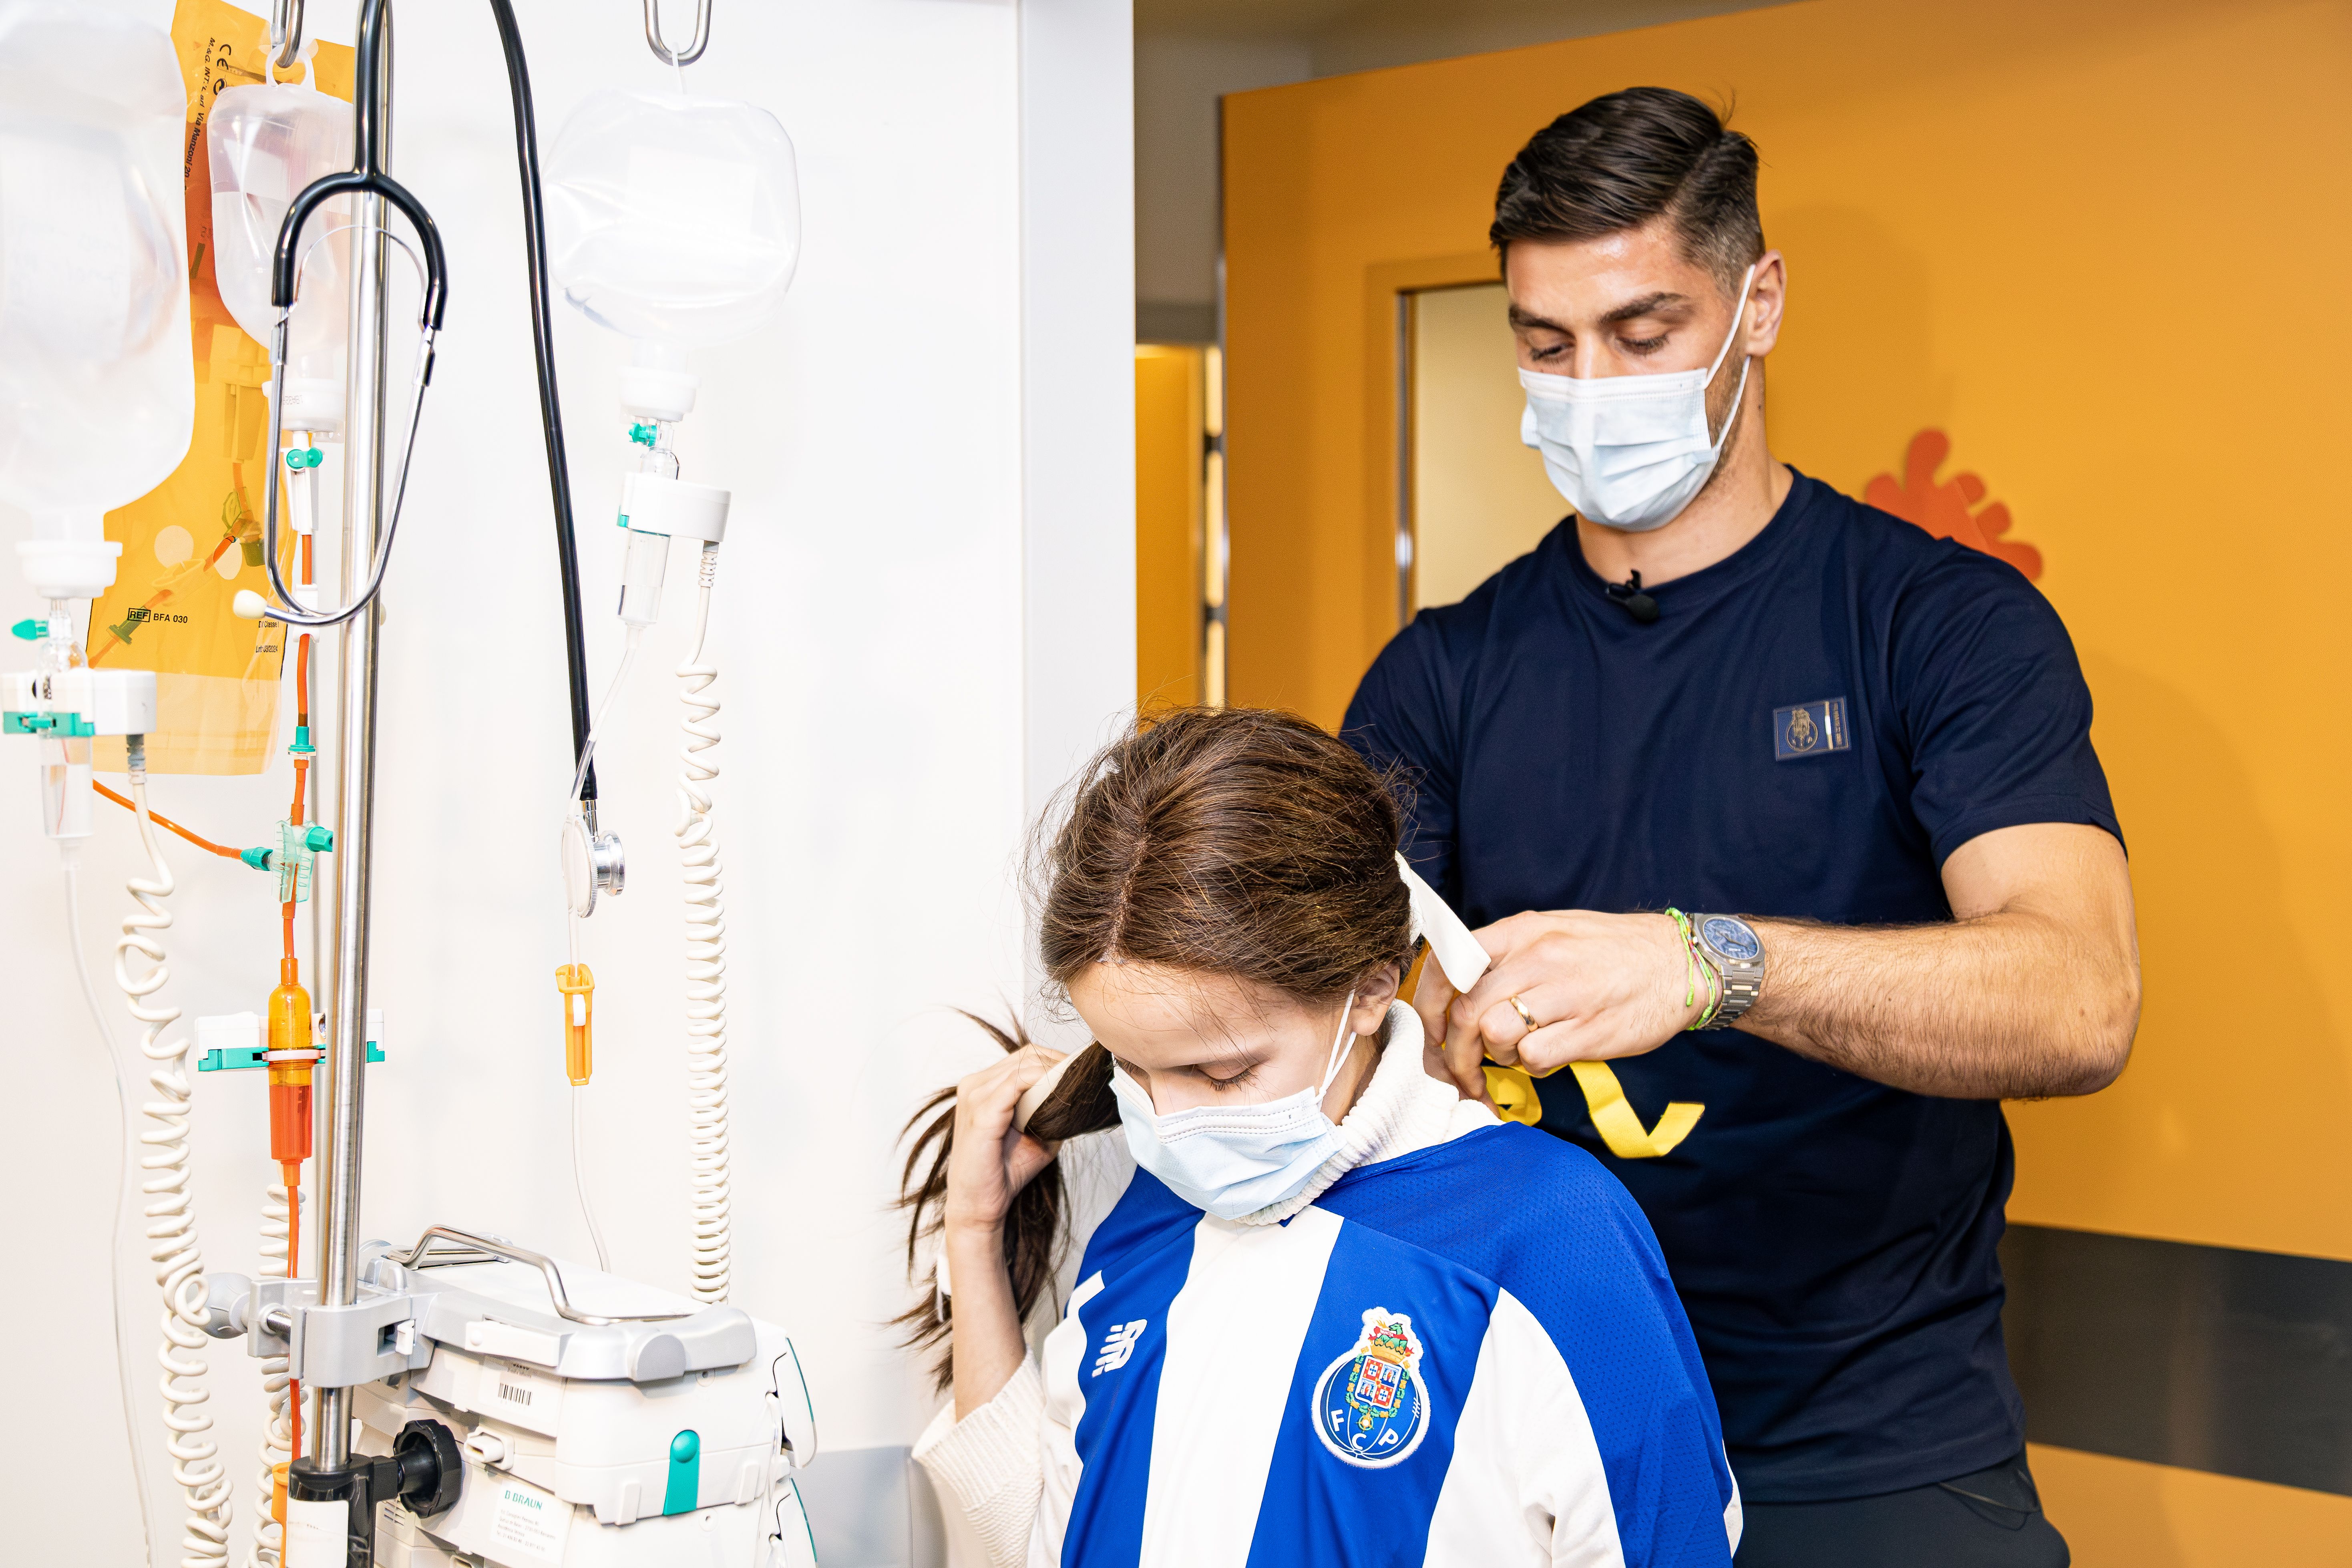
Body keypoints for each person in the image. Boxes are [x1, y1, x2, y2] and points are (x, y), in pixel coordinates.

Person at [1342, 88, 2139, 1567]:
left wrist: (1708, 967)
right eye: (1542, 343)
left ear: (1755, 302)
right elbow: (1325, 1022)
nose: (1587, 386)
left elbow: (2080, 999)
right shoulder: (1439, 676)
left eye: (1643, 336)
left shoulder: (1933, 627)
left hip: (1867, 1443)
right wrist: (1406, 1045)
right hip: (1537, 1424)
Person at [900, 707, 1742, 1567]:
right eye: (1133, 1069)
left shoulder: (1550, 1236)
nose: (1171, 1121)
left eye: (1222, 1074)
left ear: (1372, 988)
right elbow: (1032, 1544)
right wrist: (972, 1235)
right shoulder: (1148, 1222)